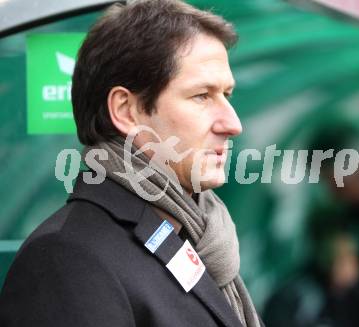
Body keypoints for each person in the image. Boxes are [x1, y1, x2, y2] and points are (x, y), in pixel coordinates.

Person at [0, 1, 263, 326]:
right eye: (202, 96)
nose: (233, 123)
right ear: (126, 111)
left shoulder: (196, 234)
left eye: (228, 94)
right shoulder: (66, 260)